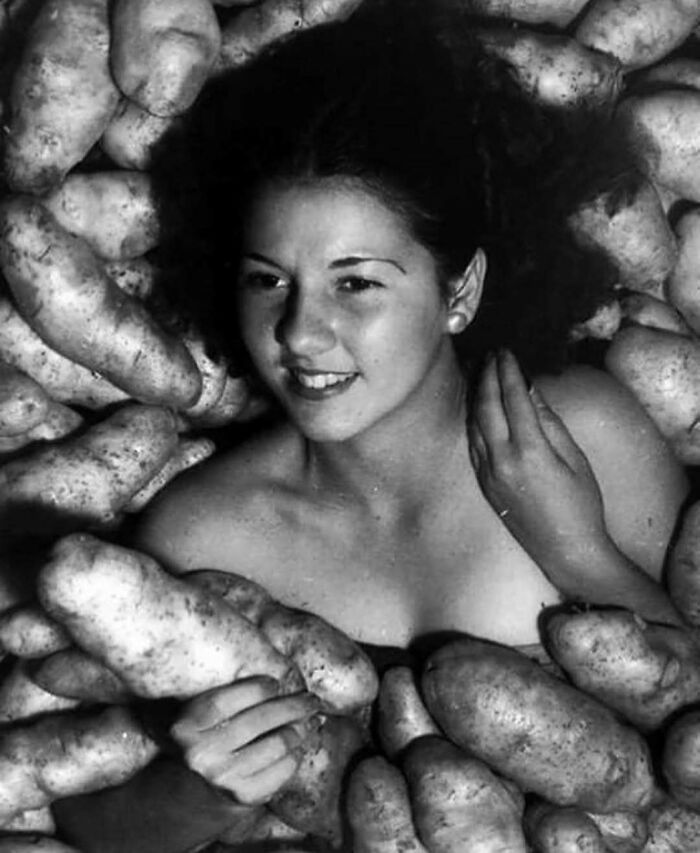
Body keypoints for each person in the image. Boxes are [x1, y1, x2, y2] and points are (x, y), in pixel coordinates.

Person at [128, 0, 687, 820]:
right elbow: (94, 826)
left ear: (458, 288)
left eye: (355, 282)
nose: (299, 332)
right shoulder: (199, 540)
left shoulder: (590, 439)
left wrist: (582, 553)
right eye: (267, 279)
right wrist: (195, 790)